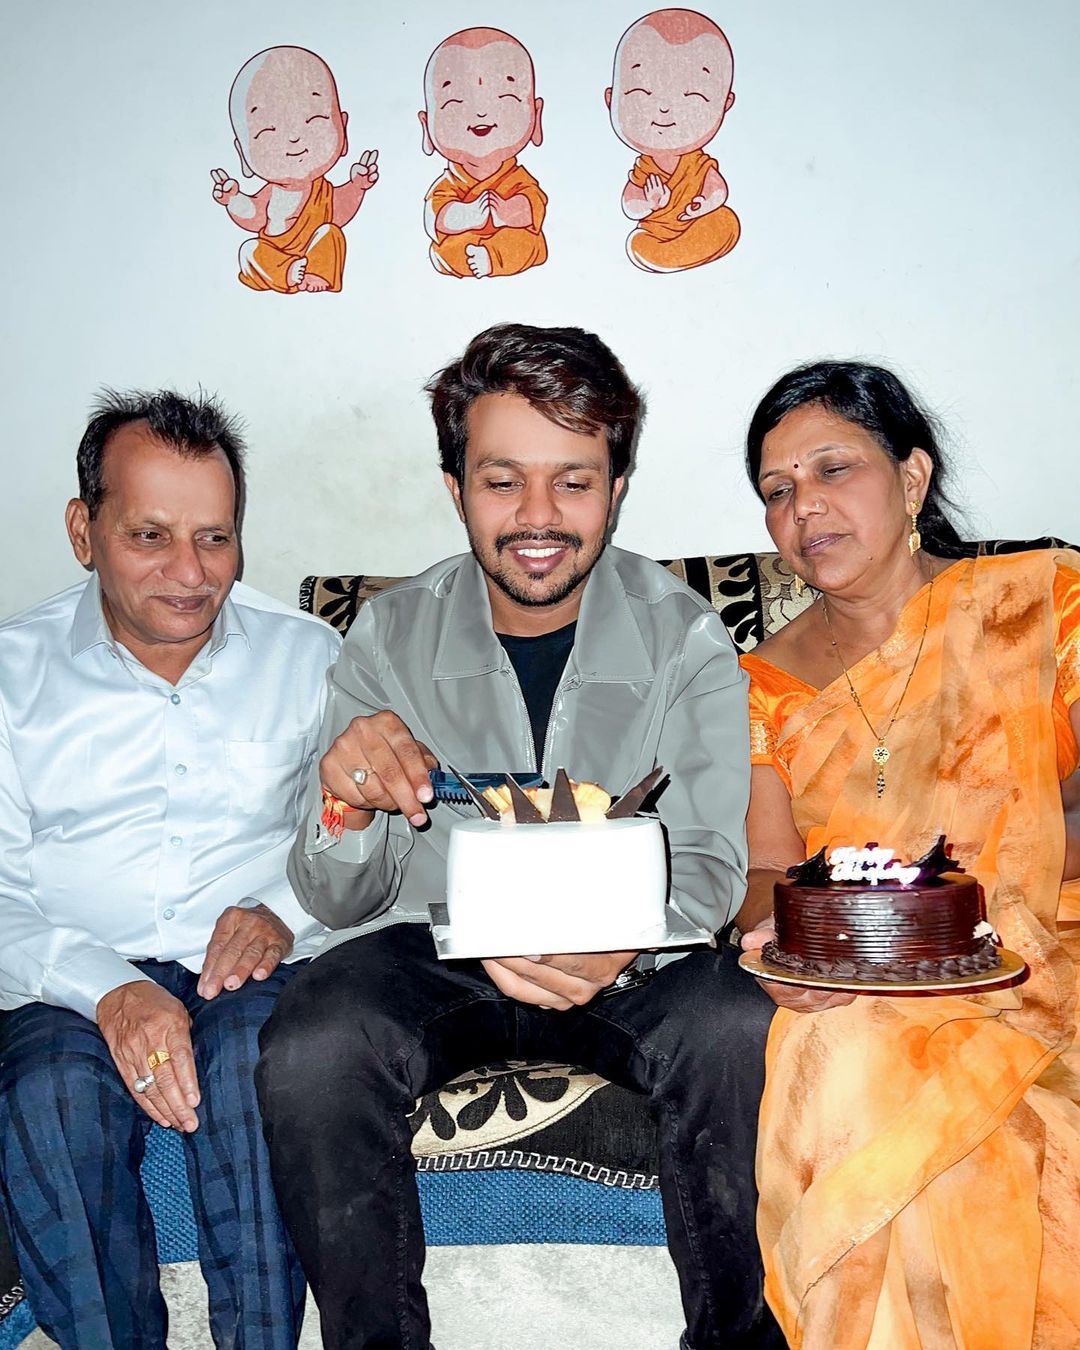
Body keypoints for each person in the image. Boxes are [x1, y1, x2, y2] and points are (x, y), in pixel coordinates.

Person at [256, 323, 784, 1350]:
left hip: (636, 958)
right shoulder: (387, 636)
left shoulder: (685, 636)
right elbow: (336, 900)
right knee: (312, 1042)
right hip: (434, 950)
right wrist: (347, 803)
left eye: (573, 483)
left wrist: (627, 934)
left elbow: (715, 865)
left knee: (737, 1025)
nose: (538, 519)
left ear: (617, 489)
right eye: (503, 482)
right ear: (456, 488)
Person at [736, 359, 1080, 1349]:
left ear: (914, 478)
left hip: (1052, 954)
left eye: (833, 469)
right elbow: (767, 866)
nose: (806, 507)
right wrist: (771, 934)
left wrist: (991, 877)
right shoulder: (755, 686)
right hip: (868, 976)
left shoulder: (1041, 600)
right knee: (838, 1051)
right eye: (778, 491)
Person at [0, 391, 341, 1348]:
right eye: (151, 535)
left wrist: (281, 910)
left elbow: (360, 844)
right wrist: (108, 990)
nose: (191, 575)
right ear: (84, 528)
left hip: (251, 976)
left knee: (253, 1065)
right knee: (49, 1096)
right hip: (64, 986)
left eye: (216, 539)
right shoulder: (11, 674)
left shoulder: (311, 659)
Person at [212, 45, 379, 293]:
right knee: (249, 251)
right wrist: (234, 200)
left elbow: (338, 211)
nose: (293, 138)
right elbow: (254, 215)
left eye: (313, 121)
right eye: (268, 131)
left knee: (330, 233)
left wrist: (357, 186)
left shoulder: (322, 191)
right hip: (274, 253)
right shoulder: (271, 194)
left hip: (312, 249)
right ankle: (286, 273)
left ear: (343, 131)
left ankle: (317, 272)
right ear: (243, 155)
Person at [606, 9, 740, 273]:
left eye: (693, 96)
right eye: (642, 92)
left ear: (725, 105)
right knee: (639, 243)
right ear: (612, 99)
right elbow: (629, 204)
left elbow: (718, 189)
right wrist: (650, 202)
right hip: (657, 231)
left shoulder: (697, 163)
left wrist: (705, 203)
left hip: (697, 222)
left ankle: (680, 254)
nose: (665, 108)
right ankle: (666, 254)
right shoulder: (645, 169)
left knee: (726, 221)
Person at [419, 28, 547, 279]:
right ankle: (476, 258)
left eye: (504, 97)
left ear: (536, 115)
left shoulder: (517, 178)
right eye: (456, 103)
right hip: (465, 245)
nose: (480, 114)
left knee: (527, 242)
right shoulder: (448, 184)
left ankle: (493, 258)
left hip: (509, 241)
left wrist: (509, 211)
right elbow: (435, 217)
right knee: (448, 248)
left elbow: (535, 205)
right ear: (426, 126)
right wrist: (466, 216)